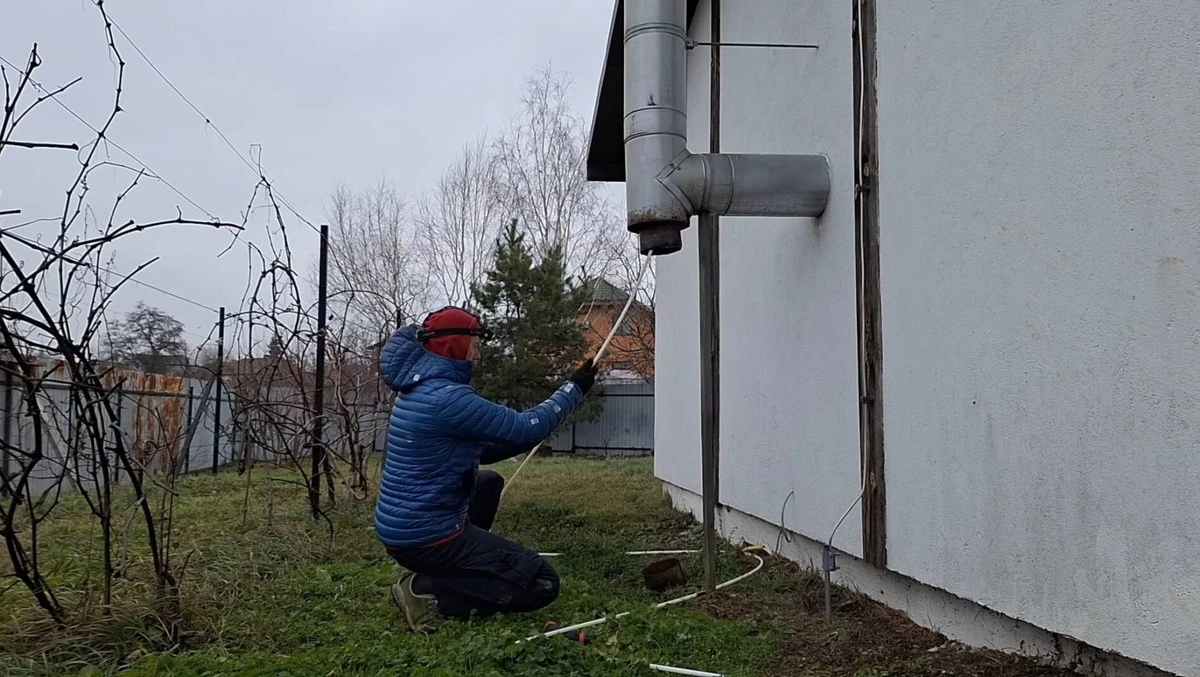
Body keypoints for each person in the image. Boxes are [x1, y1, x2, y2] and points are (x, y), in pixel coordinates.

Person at [374, 306, 597, 631]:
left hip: (407, 531)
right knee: (543, 582)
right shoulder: (447, 398)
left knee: (488, 482)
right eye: (475, 345)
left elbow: (486, 450)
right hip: (427, 539)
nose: (478, 354)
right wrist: (573, 389)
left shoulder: (420, 390)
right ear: (454, 344)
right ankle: (428, 590)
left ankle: (461, 569)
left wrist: (521, 436)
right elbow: (525, 428)